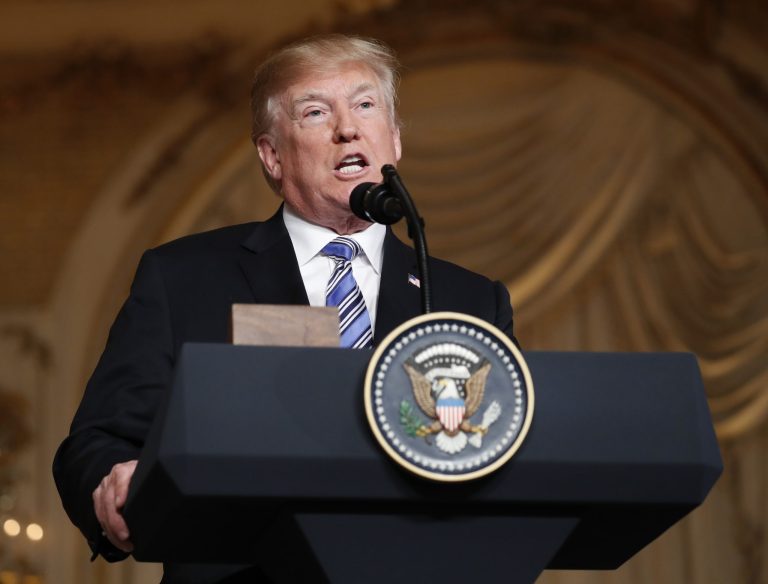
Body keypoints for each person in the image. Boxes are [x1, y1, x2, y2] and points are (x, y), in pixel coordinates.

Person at [53, 34, 515, 583]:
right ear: (272, 156)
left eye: (365, 105)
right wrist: (110, 482)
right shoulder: (186, 277)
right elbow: (98, 441)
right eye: (316, 112)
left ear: (393, 140)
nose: (348, 127)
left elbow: (499, 463)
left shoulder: (469, 300)